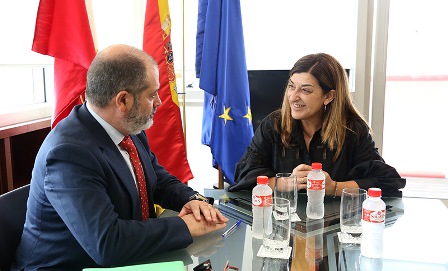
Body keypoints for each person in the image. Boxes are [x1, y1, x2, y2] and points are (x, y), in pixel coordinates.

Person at [12, 44, 228, 270]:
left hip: (130, 259)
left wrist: (191, 200)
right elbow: (107, 244)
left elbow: (157, 179)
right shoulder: (68, 153)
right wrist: (185, 226)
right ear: (123, 101)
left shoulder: (129, 129)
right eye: (152, 94)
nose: (159, 102)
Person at [229, 53, 405, 197]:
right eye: (291, 87)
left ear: (329, 96)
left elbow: (387, 181)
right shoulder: (273, 125)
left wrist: (335, 187)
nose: (293, 96)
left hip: (334, 228)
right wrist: (286, 182)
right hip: (281, 226)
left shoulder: (352, 129)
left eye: (305, 90)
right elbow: (243, 176)